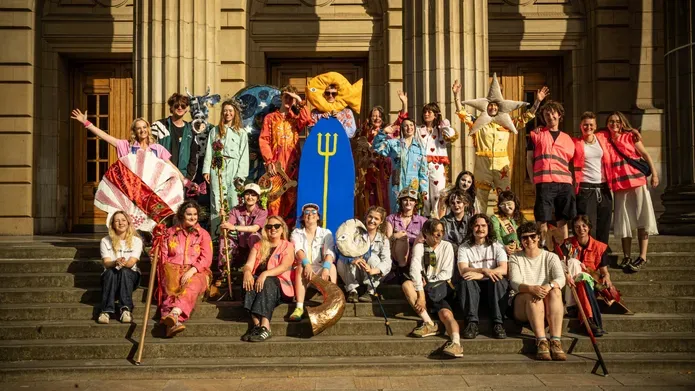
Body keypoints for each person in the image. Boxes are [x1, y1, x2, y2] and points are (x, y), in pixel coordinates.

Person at [455, 80, 548, 209]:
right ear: (486, 106)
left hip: (501, 165)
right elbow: (463, 114)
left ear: (500, 107)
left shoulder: (506, 123)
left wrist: (537, 102)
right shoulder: (478, 123)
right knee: (480, 198)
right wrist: (456, 96)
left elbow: (525, 117)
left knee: (505, 197)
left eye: (495, 106)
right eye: (490, 105)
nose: (493, 108)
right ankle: (480, 224)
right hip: (483, 165)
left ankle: (506, 224)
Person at [603, 111, 659, 272]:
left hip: (637, 183)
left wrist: (654, 174)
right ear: (607, 124)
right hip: (620, 186)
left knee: (643, 218)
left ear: (622, 123)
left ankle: (642, 256)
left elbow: (645, 154)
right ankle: (627, 256)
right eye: (611, 121)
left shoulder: (629, 137)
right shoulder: (606, 139)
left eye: (617, 121)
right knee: (624, 222)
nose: (614, 124)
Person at [70, 108, 184, 182]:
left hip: (152, 191)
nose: (142, 130)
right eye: (138, 128)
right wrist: (86, 123)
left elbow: (171, 166)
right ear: (134, 131)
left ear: (148, 129)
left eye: (144, 127)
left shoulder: (157, 149)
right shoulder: (126, 146)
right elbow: (104, 136)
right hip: (131, 189)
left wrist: (185, 181)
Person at [402, 218, 462, 357]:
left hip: (440, 289)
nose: (439, 235)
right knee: (407, 285)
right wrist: (421, 294)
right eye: (436, 232)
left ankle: (456, 343)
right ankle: (428, 322)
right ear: (427, 233)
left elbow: (447, 273)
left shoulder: (447, 246)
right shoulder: (420, 247)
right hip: (424, 288)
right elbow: (414, 270)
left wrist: (428, 281)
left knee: (446, 315)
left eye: (442, 231)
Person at [508, 222, 566, 361]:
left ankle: (555, 341)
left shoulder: (550, 257)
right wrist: (531, 288)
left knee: (556, 291)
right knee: (532, 295)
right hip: (522, 303)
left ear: (538, 237)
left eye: (532, 236)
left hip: (546, 301)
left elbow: (561, 278)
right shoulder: (515, 257)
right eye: (525, 238)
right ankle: (541, 341)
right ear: (520, 240)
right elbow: (515, 282)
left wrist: (548, 286)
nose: (529, 240)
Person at [259, 86, 313, 224]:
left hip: (292, 168)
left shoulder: (295, 120)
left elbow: (308, 120)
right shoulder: (270, 118)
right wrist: (269, 161)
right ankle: (273, 233)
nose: (289, 100)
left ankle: (288, 237)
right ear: (281, 98)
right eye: (286, 97)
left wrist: (299, 101)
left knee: (291, 201)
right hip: (275, 168)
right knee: (274, 201)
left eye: (292, 98)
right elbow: (264, 140)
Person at [158, 201, 213, 337]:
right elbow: (163, 255)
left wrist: (192, 270)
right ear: (182, 215)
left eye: (195, 214)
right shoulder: (169, 232)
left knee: (191, 286)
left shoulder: (203, 234)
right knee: (170, 289)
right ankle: (172, 324)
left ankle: (174, 313)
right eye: (189, 214)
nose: (192, 217)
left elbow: (207, 257)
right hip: (172, 268)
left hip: (197, 271)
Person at [525, 100, 576, 246]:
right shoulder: (536, 135)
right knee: (542, 219)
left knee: (563, 219)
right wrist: (532, 180)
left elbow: (573, 163)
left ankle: (564, 252)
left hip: (564, 183)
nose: (550, 117)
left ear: (559, 115)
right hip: (544, 182)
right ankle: (544, 248)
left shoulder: (568, 139)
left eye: (553, 114)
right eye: (547, 114)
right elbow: (529, 160)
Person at [241, 215, 295, 342]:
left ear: (282, 229)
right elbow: (249, 264)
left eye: (277, 226)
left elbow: (284, 266)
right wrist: (247, 272)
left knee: (268, 281)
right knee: (248, 281)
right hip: (258, 281)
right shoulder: (258, 245)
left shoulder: (287, 246)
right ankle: (256, 325)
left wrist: (264, 274)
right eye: (269, 226)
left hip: (279, 284)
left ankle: (265, 326)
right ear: (265, 229)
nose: (273, 229)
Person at [202, 99, 250, 238]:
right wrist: (206, 170)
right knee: (217, 199)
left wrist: (240, 176)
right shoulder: (215, 131)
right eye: (225, 111)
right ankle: (217, 235)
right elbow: (209, 152)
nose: (227, 113)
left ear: (234, 113)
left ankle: (233, 236)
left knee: (233, 199)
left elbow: (243, 155)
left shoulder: (241, 133)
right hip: (218, 164)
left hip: (234, 167)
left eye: (230, 111)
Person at [356, 90, 409, 214]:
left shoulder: (388, 129)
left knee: (384, 196)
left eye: (379, 116)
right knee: (368, 198)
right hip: (367, 171)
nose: (376, 118)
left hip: (384, 171)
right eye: (374, 116)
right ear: (369, 117)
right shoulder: (363, 131)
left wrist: (404, 104)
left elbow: (401, 121)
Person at [457, 214, 509, 339]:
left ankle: (498, 323)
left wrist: (481, 275)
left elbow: (504, 269)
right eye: (476, 225)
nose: (480, 229)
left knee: (498, 279)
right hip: (474, 287)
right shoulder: (464, 247)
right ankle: (472, 323)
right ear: (471, 228)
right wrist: (484, 270)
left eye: (483, 225)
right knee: (466, 280)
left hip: (492, 285)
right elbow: (463, 269)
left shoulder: (497, 245)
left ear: (488, 227)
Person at [559, 215, 611, 337]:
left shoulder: (600, 247)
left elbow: (604, 271)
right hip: (568, 282)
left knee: (582, 279)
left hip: (590, 284)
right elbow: (561, 263)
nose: (580, 229)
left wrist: (607, 277)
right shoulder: (567, 243)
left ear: (589, 227)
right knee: (572, 263)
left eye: (584, 226)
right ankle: (587, 317)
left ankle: (572, 306)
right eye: (577, 227)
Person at [289, 203, 337, 321]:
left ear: (318, 217)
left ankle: (331, 303)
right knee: (300, 266)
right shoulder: (296, 233)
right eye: (306, 212)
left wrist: (325, 267)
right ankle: (299, 307)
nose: (310, 214)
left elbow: (330, 252)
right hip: (305, 270)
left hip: (320, 269)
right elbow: (298, 250)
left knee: (332, 268)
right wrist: (307, 264)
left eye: (313, 212)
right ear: (303, 217)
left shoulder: (326, 233)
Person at [572, 111, 612, 245]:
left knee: (604, 226)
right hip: (586, 189)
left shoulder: (603, 138)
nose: (588, 127)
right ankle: (588, 261)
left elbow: (620, 133)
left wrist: (633, 132)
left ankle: (602, 261)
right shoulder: (576, 142)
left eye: (591, 125)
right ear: (580, 126)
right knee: (587, 227)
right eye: (585, 125)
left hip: (604, 188)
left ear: (595, 126)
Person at [372, 119, 428, 214]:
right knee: (396, 212)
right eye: (406, 125)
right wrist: (384, 132)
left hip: (413, 185)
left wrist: (424, 190)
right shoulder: (394, 144)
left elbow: (423, 171)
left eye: (411, 125)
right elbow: (377, 146)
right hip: (397, 184)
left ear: (414, 128)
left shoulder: (420, 148)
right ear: (402, 128)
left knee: (412, 212)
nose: (409, 128)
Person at [215, 183, 267, 285]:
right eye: (247, 194)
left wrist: (234, 227)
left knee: (254, 236)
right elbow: (228, 226)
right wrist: (224, 219)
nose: (250, 197)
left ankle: (254, 270)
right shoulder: (236, 210)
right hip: (240, 242)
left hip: (255, 245)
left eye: (253, 195)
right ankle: (225, 272)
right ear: (243, 196)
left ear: (258, 197)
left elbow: (255, 228)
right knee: (224, 238)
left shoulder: (262, 211)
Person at [337, 206, 392, 303]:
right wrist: (353, 259)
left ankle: (370, 291)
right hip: (356, 272)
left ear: (381, 222)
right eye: (370, 217)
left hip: (373, 275)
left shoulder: (383, 240)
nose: (372, 220)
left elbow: (387, 262)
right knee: (342, 260)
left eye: (376, 219)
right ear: (366, 217)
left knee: (372, 258)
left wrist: (372, 270)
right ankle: (352, 291)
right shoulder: (355, 234)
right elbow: (342, 250)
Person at [97, 211, 142, 324]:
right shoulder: (105, 241)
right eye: (117, 221)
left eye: (123, 220)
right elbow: (106, 263)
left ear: (128, 223)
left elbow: (131, 262)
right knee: (111, 272)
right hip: (111, 276)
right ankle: (106, 311)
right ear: (112, 224)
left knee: (125, 271)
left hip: (130, 276)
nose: (120, 223)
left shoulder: (137, 241)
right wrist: (115, 262)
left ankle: (125, 309)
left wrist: (123, 263)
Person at [416, 102, 459, 216]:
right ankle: (424, 217)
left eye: (429, 112)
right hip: (422, 165)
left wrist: (445, 126)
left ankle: (438, 218)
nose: (426, 114)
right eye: (425, 111)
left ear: (435, 114)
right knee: (424, 194)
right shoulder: (418, 130)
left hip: (437, 165)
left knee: (438, 193)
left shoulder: (440, 130)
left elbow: (451, 136)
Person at [151, 93, 198, 179]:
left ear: (186, 109)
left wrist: (188, 177)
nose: (180, 108)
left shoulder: (190, 131)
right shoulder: (159, 126)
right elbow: (149, 150)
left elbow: (194, 156)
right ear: (171, 107)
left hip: (182, 178)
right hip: (161, 176)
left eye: (183, 106)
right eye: (176, 105)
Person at [386, 188, 427, 276]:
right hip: (396, 254)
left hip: (415, 254)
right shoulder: (391, 218)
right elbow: (387, 242)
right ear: (401, 202)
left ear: (415, 202)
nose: (408, 203)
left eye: (411, 200)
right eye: (405, 200)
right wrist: (395, 236)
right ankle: (402, 271)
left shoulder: (422, 221)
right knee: (403, 238)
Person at [490, 190, 525, 256]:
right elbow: (496, 235)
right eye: (503, 205)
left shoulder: (520, 217)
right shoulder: (495, 218)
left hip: (521, 250)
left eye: (509, 204)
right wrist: (503, 246)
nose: (506, 207)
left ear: (515, 203)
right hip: (503, 251)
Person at [440, 189, 473, 254]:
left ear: (465, 203)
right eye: (452, 203)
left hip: (468, 253)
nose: (456, 205)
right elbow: (444, 241)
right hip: (450, 253)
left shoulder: (471, 221)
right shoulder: (444, 221)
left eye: (459, 202)